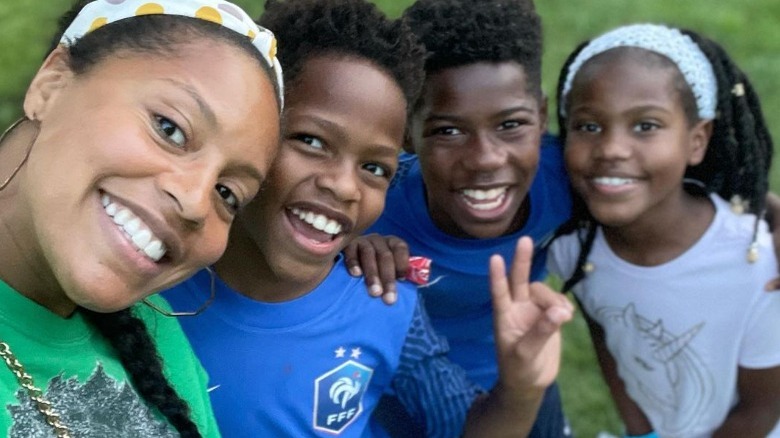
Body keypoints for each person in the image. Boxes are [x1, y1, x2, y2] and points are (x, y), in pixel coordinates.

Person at [162, 0, 574, 436]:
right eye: (312, 141)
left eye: (375, 168)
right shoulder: (151, 273)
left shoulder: (387, 305)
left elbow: (462, 429)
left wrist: (522, 390)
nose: (344, 186)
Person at [0, 0, 284, 436]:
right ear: (51, 83)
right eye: (169, 128)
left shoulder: (155, 332)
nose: (194, 202)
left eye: (227, 193)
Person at [344, 0, 573, 435]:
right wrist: (346, 252)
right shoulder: (371, 205)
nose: (485, 159)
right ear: (407, 133)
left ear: (542, 117)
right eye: (448, 131)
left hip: (524, 376)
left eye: (510, 125)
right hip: (404, 396)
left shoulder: (564, 181)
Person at [547, 23, 780, 437]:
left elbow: (762, 411)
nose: (612, 148)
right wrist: (640, 431)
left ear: (697, 140)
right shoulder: (575, 250)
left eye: (646, 125)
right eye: (588, 126)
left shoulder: (757, 263)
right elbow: (609, 340)